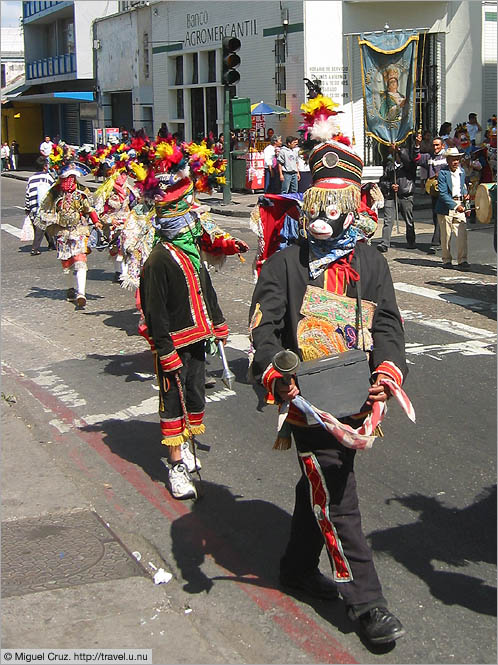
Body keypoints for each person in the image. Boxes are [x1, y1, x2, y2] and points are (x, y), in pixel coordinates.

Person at [249, 92, 411, 647]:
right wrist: (278, 371)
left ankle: (295, 569)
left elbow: (388, 323)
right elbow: (262, 331)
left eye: (334, 208)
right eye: (314, 206)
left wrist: (388, 371)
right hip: (308, 402)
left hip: (357, 394)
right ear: (303, 203)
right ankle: (367, 603)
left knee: (316, 486)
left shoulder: (370, 260)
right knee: (338, 494)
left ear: (353, 207)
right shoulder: (282, 264)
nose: (323, 219)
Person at [138, 180, 230, 501]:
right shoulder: (158, 261)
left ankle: (188, 443)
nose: (194, 219)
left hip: (197, 340)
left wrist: (217, 323)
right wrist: (166, 353)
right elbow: (155, 313)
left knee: (194, 395)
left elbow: (206, 289)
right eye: (187, 213)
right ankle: (175, 464)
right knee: (173, 402)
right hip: (173, 345)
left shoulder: (189, 251)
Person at [37, 150, 100, 309]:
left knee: (80, 261)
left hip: (78, 230)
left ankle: (81, 293)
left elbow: (89, 208)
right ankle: (70, 288)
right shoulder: (54, 193)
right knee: (67, 263)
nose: (70, 181)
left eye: (72, 178)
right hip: (62, 232)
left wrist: (96, 221)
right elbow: (45, 210)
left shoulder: (81, 193)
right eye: (67, 178)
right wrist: (51, 220)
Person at [377, 141, 417, 252]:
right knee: (388, 220)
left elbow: (408, 160)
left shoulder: (409, 166)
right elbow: (383, 181)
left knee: (409, 220)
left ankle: (411, 240)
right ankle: (385, 243)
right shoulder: (389, 166)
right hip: (391, 196)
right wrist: (390, 186)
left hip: (405, 195)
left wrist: (398, 149)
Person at [435, 146, 470, 271]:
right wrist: (455, 206)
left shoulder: (461, 172)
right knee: (446, 235)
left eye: (457, 159)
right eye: (453, 159)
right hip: (447, 207)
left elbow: (463, 186)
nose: (455, 162)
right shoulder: (443, 173)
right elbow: (443, 194)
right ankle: (447, 259)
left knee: (462, 233)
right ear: (448, 160)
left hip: (459, 203)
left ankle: (462, 260)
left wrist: (466, 195)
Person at [414, 133, 448, 253]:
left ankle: (436, 241)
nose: (435, 147)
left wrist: (442, 174)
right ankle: (440, 240)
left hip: (444, 192)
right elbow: (417, 158)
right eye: (433, 145)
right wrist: (417, 144)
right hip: (434, 192)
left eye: (437, 145)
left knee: (440, 215)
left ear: (442, 146)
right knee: (436, 216)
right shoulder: (429, 157)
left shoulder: (447, 157)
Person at [24, 157, 56, 255]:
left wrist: (27, 207)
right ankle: (35, 248)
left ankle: (51, 243)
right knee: (42, 225)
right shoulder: (48, 177)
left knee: (41, 224)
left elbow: (27, 193)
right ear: (45, 167)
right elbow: (53, 191)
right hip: (44, 205)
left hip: (33, 204)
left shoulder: (31, 178)